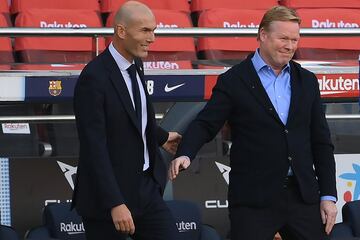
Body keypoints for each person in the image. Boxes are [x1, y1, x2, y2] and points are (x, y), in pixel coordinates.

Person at [169, 5, 337, 240]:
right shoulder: (233, 80)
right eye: (283, 38)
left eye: (295, 39)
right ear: (262, 35)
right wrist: (186, 152)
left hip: (302, 197)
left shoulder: (307, 81)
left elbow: (321, 142)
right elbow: (206, 123)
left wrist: (328, 195)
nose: (290, 46)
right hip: (252, 200)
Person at [72, 1, 181, 240]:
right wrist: (115, 202)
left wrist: (161, 137)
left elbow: (134, 115)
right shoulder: (93, 77)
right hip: (107, 199)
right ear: (121, 31)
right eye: (145, 31)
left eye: (154, 31)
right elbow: (94, 148)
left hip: (145, 189)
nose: (152, 38)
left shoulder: (136, 64)